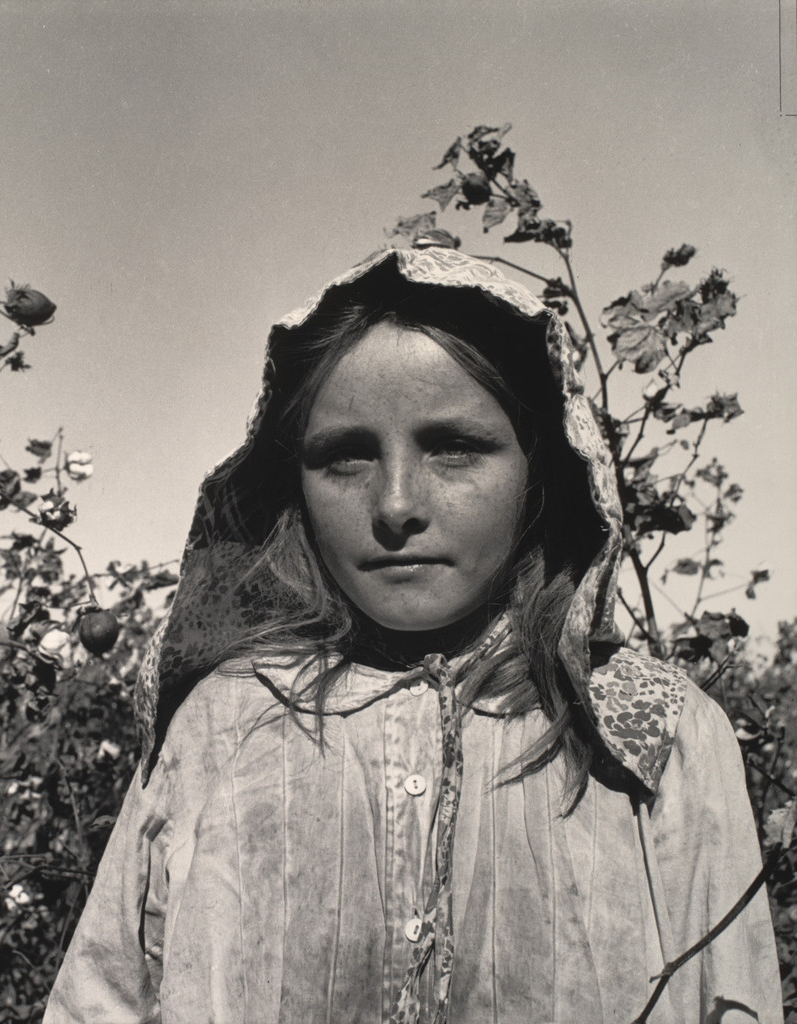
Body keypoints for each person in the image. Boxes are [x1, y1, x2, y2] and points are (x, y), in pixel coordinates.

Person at [44, 247, 782, 1024]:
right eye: (345, 456)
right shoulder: (220, 727)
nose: (395, 504)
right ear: (292, 477)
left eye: (455, 446)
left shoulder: (654, 730)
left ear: (541, 466)